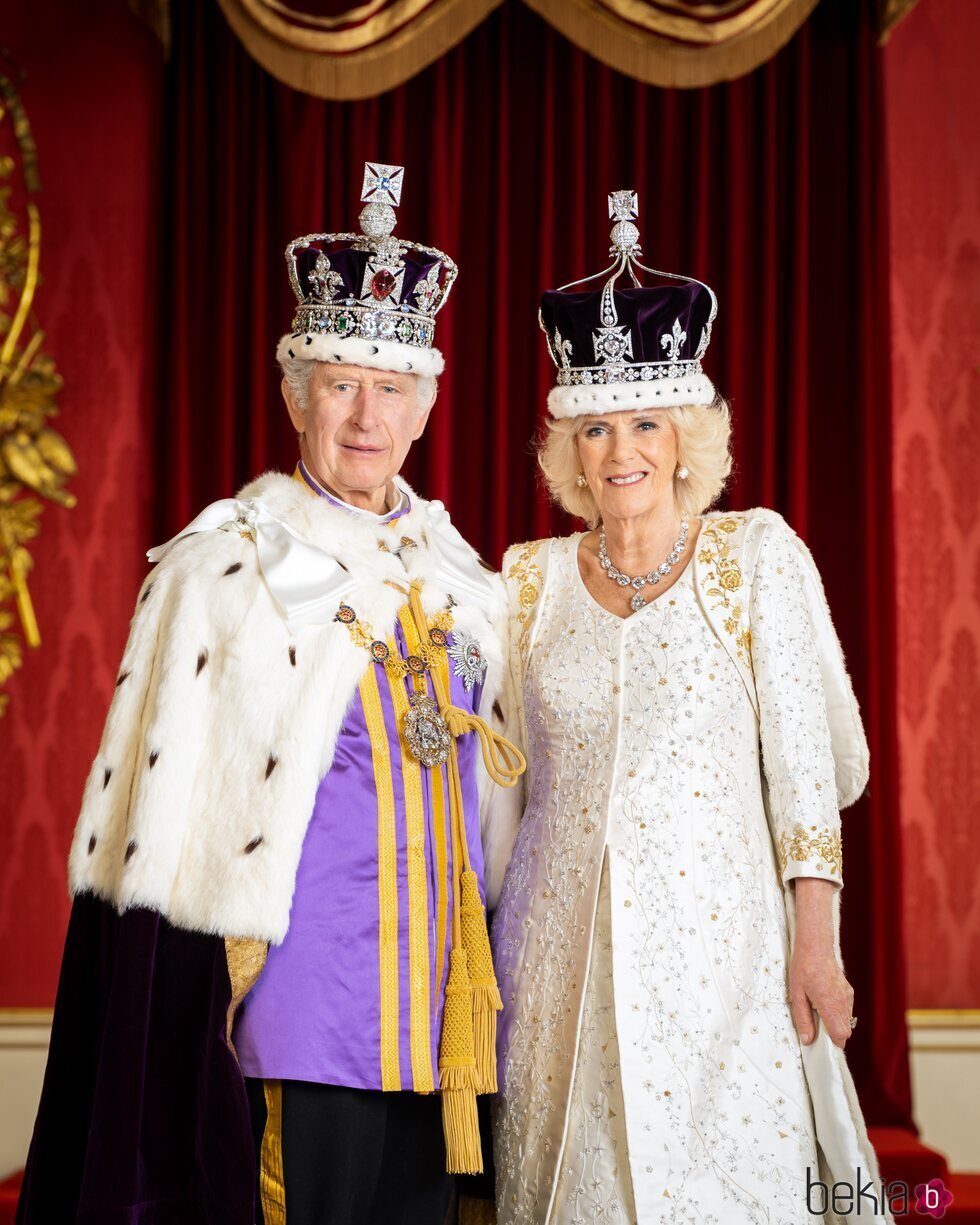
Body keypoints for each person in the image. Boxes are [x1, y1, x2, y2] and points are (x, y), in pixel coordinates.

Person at [17, 161, 523, 1225]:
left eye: (389, 388)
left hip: (434, 1025)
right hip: (295, 1016)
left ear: (425, 405)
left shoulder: (463, 583)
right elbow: (152, 844)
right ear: (295, 393)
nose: (363, 413)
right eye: (338, 381)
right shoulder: (228, 567)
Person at [490, 191, 889, 1223]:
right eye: (592, 426)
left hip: (725, 967)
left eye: (642, 422)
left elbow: (808, 769)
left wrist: (817, 942)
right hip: (554, 967)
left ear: (683, 437)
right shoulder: (524, 582)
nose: (617, 448)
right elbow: (498, 779)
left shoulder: (754, 557)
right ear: (566, 445)